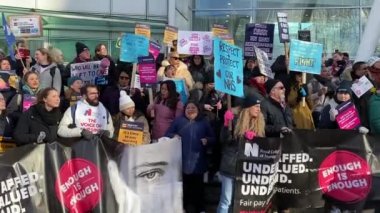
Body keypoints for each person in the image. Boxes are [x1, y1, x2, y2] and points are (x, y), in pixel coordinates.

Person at [217, 95, 265, 213]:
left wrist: (254, 139)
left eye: (259, 107)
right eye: (256, 106)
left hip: (246, 171)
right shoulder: (235, 121)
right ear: (248, 108)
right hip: (231, 167)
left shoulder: (259, 125)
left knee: (237, 202)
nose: (258, 109)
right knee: (226, 201)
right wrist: (226, 124)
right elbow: (224, 140)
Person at [165, 101, 215, 213]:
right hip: (182, 161)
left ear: (198, 109)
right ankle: (184, 208)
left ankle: (200, 208)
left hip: (198, 161)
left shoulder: (203, 122)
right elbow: (167, 134)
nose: (190, 110)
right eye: (188, 108)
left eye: (193, 108)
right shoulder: (179, 121)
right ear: (184, 110)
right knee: (184, 188)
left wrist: (207, 140)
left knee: (198, 188)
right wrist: (174, 135)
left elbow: (213, 138)